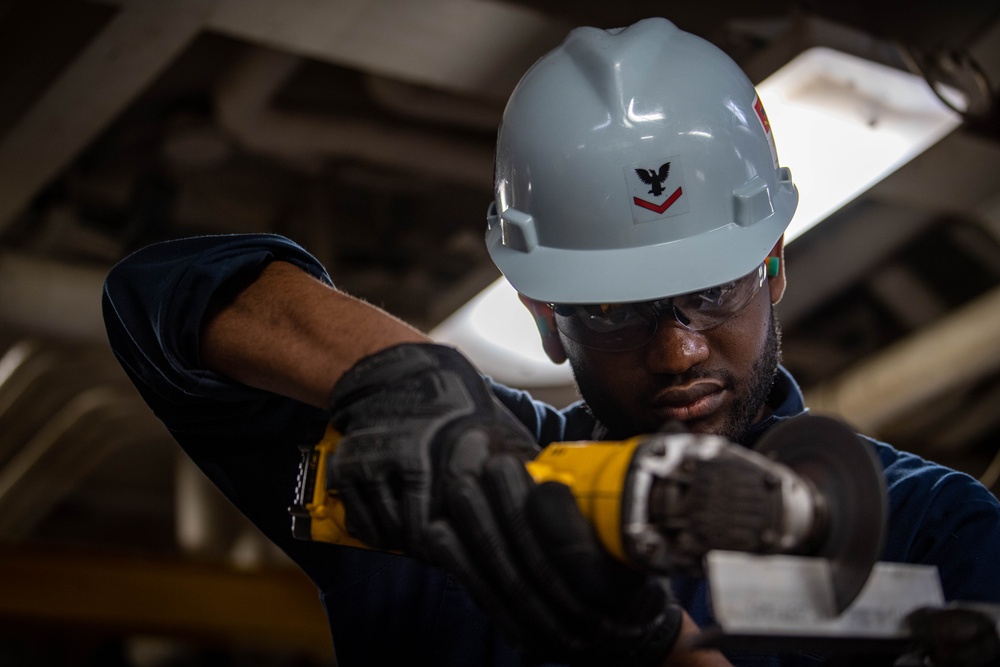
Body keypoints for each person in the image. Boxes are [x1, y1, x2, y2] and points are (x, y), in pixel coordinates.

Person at [102, 17, 1000, 667]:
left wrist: (654, 649)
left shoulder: (930, 531)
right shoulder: (456, 491)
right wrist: (409, 386)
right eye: (615, 311)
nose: (680, 350)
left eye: (712, 291)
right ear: (542, 314)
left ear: (774, 268)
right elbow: (159, 297)